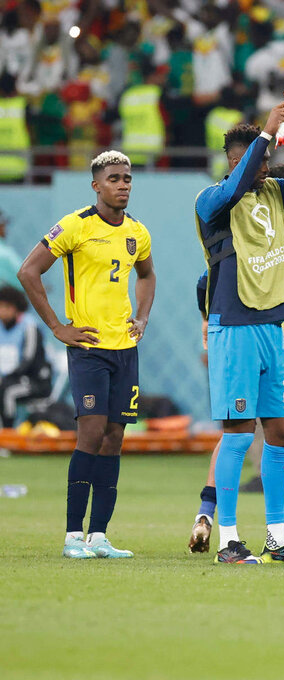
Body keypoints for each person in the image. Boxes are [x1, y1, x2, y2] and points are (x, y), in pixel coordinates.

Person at [195, 102, 284, 565]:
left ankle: (277, 537)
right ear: (233, 163)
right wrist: (266, 136)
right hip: (232, 329)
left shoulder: (275, 192)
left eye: (259, 161)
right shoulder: (210, 201)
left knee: (282, 432)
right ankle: (229, 540)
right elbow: (235, 185)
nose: (257, 168)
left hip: (271, 329)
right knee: (237, 434)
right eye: (246, 162)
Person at [17, 150, 156, 559]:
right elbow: (29, 270)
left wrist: (142, 318)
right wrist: (58, 328)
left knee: (115, 438)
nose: (123, 185)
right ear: (96, 185)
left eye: (127, 178)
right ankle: (72, 536)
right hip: (89, 349)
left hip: (125, 350)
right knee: (91, 434)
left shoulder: (137, 233)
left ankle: (99, 536)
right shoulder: (75, 226)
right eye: (114, 179)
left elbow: (147, 275)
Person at [0, 284, 52, 428]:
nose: (1, 311)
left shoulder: (29, 327)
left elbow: (29, 360)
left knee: (8, 392)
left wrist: (7, 377)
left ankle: (7, 436)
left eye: (6, 307)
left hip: (35, 381)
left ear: (16, 309)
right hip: (10, 379)